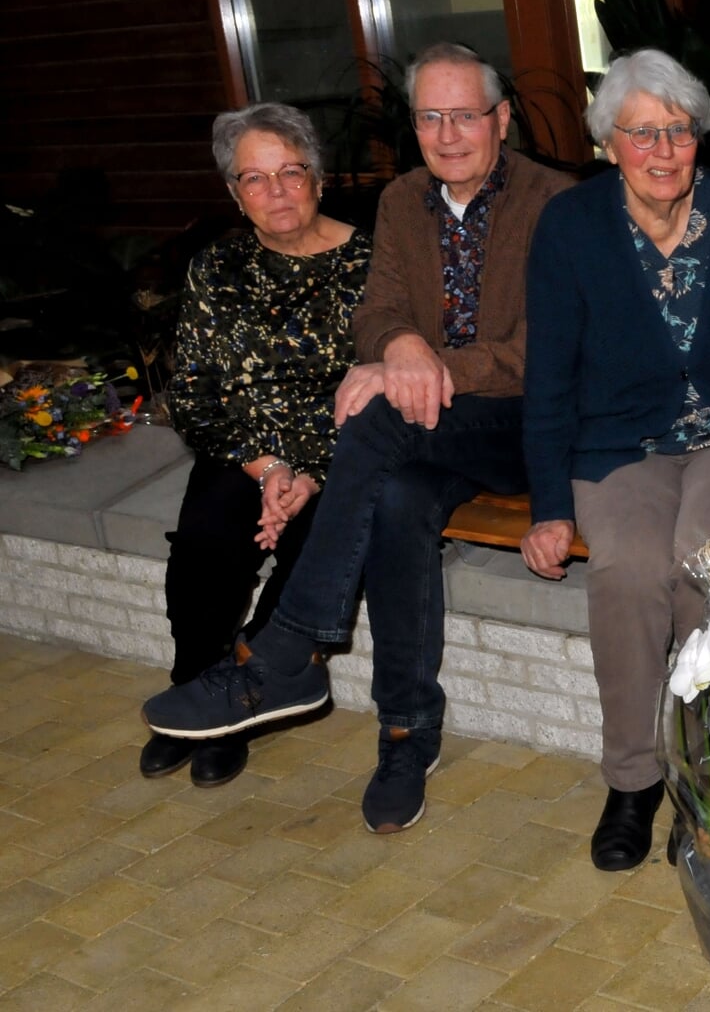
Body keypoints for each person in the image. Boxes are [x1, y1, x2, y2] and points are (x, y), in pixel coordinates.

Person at [143, 43, 573, 835]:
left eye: (465, 115)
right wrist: (400, 348)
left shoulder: (558, 203)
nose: (447, 134)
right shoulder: (404, 200)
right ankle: (407, 733)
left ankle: (288, 650)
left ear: (502, 119)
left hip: (525, 424)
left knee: (378, 417)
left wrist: (425, 366)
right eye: (429, 117)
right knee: (399, 495)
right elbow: (377, 313)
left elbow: (554, 352)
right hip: (434, 428)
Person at [519, 49, 710, 871]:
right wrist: (547, 507)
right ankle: (633, 780)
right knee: (628, 571)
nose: (664, 150)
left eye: (679, 131)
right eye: (643, 134)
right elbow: (548, 377)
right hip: (618, 443)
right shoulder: (570, 227)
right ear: (608, 145)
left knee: (702, 562)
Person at [143, 103, 370, 788]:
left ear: (320, 179)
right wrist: (267, 466)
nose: (276, 191)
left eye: (290, 172)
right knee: (208, 539)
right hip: (243, 450)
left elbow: (391, 384)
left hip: (341, 456)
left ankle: (248, 691)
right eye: (255, 178)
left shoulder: (372, 262)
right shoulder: (218, 266)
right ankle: (198, 688)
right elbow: (189, 390)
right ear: (235, 195)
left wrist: (309, 474)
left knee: (312, 546)